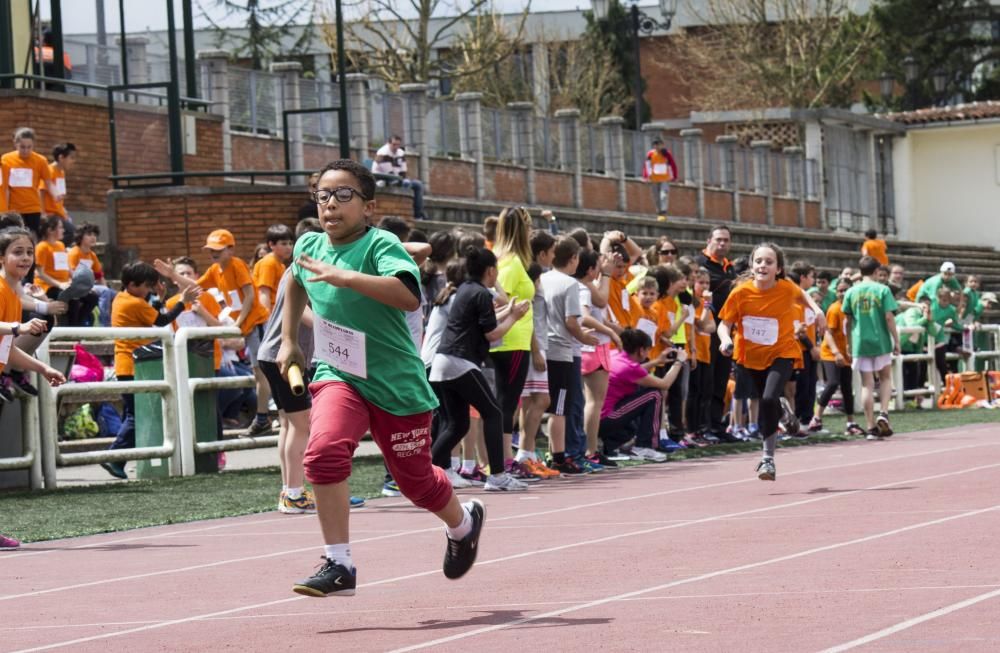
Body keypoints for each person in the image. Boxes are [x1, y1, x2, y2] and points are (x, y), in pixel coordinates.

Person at [277, 159, 484, 598]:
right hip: (340, 374)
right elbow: (294, 280)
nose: (331, 204)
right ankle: (340, 563)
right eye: (323, 196)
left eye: (343, 195)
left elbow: (408, 295)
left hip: (395, 384)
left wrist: (347, 277)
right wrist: (289, 340)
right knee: (324, 453)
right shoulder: (307, 244)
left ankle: (463, 524)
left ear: (368, 207)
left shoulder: (379, 243)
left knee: (416, 483)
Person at [717, 242, 825, 481]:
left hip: (782, 352)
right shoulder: (741, 293)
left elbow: (803, 294)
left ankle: (767, 458)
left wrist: (818, 311)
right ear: (752, 265)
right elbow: (724, 323)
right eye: (758, 261)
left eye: (768, 262)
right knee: (768, 400)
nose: (762, 266)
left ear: (778, 268)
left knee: (767, 398)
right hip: (749, 356)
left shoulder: (786, 288)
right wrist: (724, 341)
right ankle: (785, 414)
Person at [429, 246, 531, 491]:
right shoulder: (482, 294)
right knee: (493, 412)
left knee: (458, 424)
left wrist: (510, 311)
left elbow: (486, 319)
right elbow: (492, 331)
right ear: (490, 271)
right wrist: (515, 317)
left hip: (443, 361)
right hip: (460, 361)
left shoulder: (466, 289)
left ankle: (428, 471)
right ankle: (497, 475)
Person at [0, 227, 66, 547]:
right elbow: (9, 333)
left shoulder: (12, 295)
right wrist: (19, 326)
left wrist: (42, 367)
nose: (25, 258)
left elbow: (7, 348)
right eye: (17, 252)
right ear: (1, 257)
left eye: (29, 252)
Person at [102, 262, 199, 479]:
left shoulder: (123, 298)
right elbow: (162, 319)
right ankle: (114, 457)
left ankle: (118, 461)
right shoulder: (134, 303)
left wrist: (160, 299)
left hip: (127, 365)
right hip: (134, 366)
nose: (148, 291)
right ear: (132, 284)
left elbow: (151, 315)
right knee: (137, 416)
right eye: (146, 286)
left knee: (133, 414)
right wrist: (183, 302)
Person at [197, 229, 271, 437]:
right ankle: (266, 416)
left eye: (217, 249)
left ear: (231, 249)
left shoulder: (237, 265)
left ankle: (265, 417)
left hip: (256, 324)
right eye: (211, 249)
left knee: (263, 371)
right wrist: (172, 275)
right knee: (261, 372)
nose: (213, 252)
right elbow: (196, 286)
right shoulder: (216, 270)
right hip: (245, 328)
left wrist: (237, 324)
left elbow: (250, 296)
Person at [541, 236, 598, 475]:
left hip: (544, 346)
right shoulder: (570, 284)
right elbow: (571, 321)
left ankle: (557, 453)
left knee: (548, 405)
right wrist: (585, 338)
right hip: (562, 350)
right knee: (562, 407)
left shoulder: (542, 278)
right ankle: (561, 456)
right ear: (573, 258)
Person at [489, 206, 537, 479]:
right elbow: (501, 297)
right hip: (513, 339)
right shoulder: (512, 261)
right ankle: (505, 459)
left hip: (510, 337)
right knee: (507, 403)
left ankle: (503, 459)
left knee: (505, 402)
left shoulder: (504, 259)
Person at [599, 328, 686, 458]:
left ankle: (611, 444)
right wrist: (679, 361)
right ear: (641, 350)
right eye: (647, 350)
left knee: (640, 398)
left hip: (597, 418)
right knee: (654, 395)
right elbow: (665, 384)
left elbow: (632, 372)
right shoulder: (630, 367)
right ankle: (644, 446)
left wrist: (656, 362)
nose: (647, 355)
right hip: (607, 418)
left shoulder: (614, 355)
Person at [841, 255, 900, 441]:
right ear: (876, 272)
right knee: (885, 377)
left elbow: (847, 321)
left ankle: (870, 426)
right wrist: (896, 340)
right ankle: (883, 412)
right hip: (880, 339)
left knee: (866, 383)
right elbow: (889, 317)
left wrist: (849, 343)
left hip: (860, 341)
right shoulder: (883, 289)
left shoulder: (851, 292)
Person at [573, 249, 622, 468]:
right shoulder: (583, 288)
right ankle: (590, 449)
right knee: (594, 402)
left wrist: (610, 327)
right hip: (593, 348)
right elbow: (584, 317)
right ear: (591, 269)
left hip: (593, 347)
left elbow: (598, 308)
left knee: (592, 401)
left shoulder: (584, 287)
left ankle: (590, 448)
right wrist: (609, 331)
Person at [696, 226, 737, 443]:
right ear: (709, 240)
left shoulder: (730, 268)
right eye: (718, 240)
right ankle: (702, 426)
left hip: (726, 331)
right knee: (707, 381)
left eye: (726, 240)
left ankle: (717, 424)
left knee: (721, 379)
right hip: (705, 330)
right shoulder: (700, 264)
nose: (722, 244)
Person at [810, 278, 866, 436]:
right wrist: (836, 352)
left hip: (846, 353)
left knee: (847, 388)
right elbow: (828, 333)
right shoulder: (835, 309)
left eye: (845, 290)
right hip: (831, 353)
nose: (842, 293)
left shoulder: (853, 309)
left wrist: (851, 350)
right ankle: (817, 417)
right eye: (839, 290)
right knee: (833, 383)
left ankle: (850, 422)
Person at [2, 127, 61, 237]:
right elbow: (4, 187)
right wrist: (5, 210)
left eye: (29, 147)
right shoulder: (6, 160)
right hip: (13, 210)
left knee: (32, 239)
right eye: (22, 147)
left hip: (33, 208)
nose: (26, 150)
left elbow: (48, 182)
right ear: (16, 144)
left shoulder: (40, 161)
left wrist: (55, 193)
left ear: (33, 145)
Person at [371, 135, 426, 220]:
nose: (396, 147)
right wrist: (401, 179)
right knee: (406, 184)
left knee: (418, 185)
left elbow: (403, 172)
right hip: (383, 181)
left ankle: (418, 215)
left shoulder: (400, 153)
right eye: (394, 144)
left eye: (398, 145)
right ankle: (403, 213)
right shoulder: (382, 152)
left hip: (398, 180)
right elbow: (389, 174)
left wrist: (402, 178)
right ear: (388, 143)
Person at [39, 143, 77, 246]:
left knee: (72, 233)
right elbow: (41, 191)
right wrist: (43, 213)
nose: (73, 161)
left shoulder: (61, 173)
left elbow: (59, 195)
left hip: (59, 213)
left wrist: (63, 210)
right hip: (50, 214)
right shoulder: (49, 171)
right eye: (71, 158)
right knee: (71, 232)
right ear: (61, 157)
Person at [253, 224, 294, 313]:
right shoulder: (268, 263)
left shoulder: (281, 265)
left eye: (290, 243)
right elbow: (264, 293)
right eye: (284, 243)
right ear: (271, 244)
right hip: (268, 315)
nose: (289, 247)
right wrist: (268, 320)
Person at [643, 137, 678, 221]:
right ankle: (659, 212)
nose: (657, 147)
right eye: (655, 145)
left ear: (662, 145)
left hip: (664, 179)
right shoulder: (650, 154)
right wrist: (646, 176)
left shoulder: (666, 154)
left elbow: (673, 165)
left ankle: (664, 211)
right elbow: (646, 166)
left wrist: (674, 176)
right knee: (656, 197)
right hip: (654, 179)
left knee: (663, 195)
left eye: (659, 145)